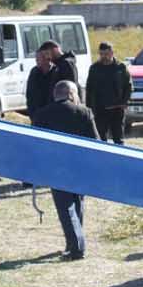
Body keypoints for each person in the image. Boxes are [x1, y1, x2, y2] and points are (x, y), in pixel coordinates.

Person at [31, 81, 99, 260]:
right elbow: (95, 142)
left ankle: (76, 247)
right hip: (80, 166)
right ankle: (75, 242)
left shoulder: (41, 114)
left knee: (65, 208)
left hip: (55, 166)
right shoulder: (84, 112)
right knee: (77, 204)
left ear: (56, 94)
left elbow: (35, 145)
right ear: (71, 94)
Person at [85, 42, 133, 144]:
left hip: (117, 109)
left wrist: (125, 101)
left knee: (118, 139)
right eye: (101, 54)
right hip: (100, 110)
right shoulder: (94, 68)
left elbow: (128, 86)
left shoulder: (120, 67)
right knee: (101, 139)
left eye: (106, 54)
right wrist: (89, 108)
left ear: (112, 53)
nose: (104, 57)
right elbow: (89, 90)